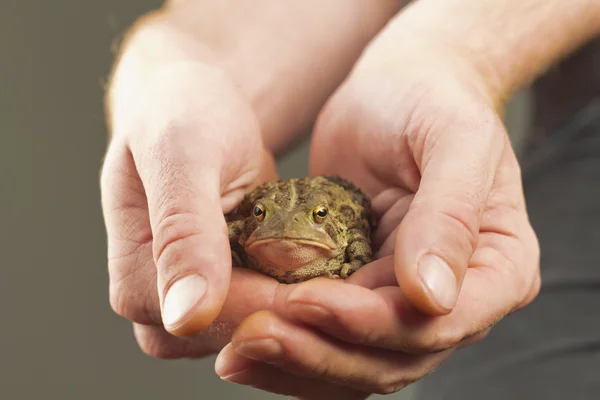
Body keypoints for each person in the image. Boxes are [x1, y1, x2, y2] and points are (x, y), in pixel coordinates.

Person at [99, 0, 600, 398]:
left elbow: (355, 233)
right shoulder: (244, 229)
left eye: (319, 218)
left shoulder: (344, 233)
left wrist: (458, 50)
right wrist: (174, 65)